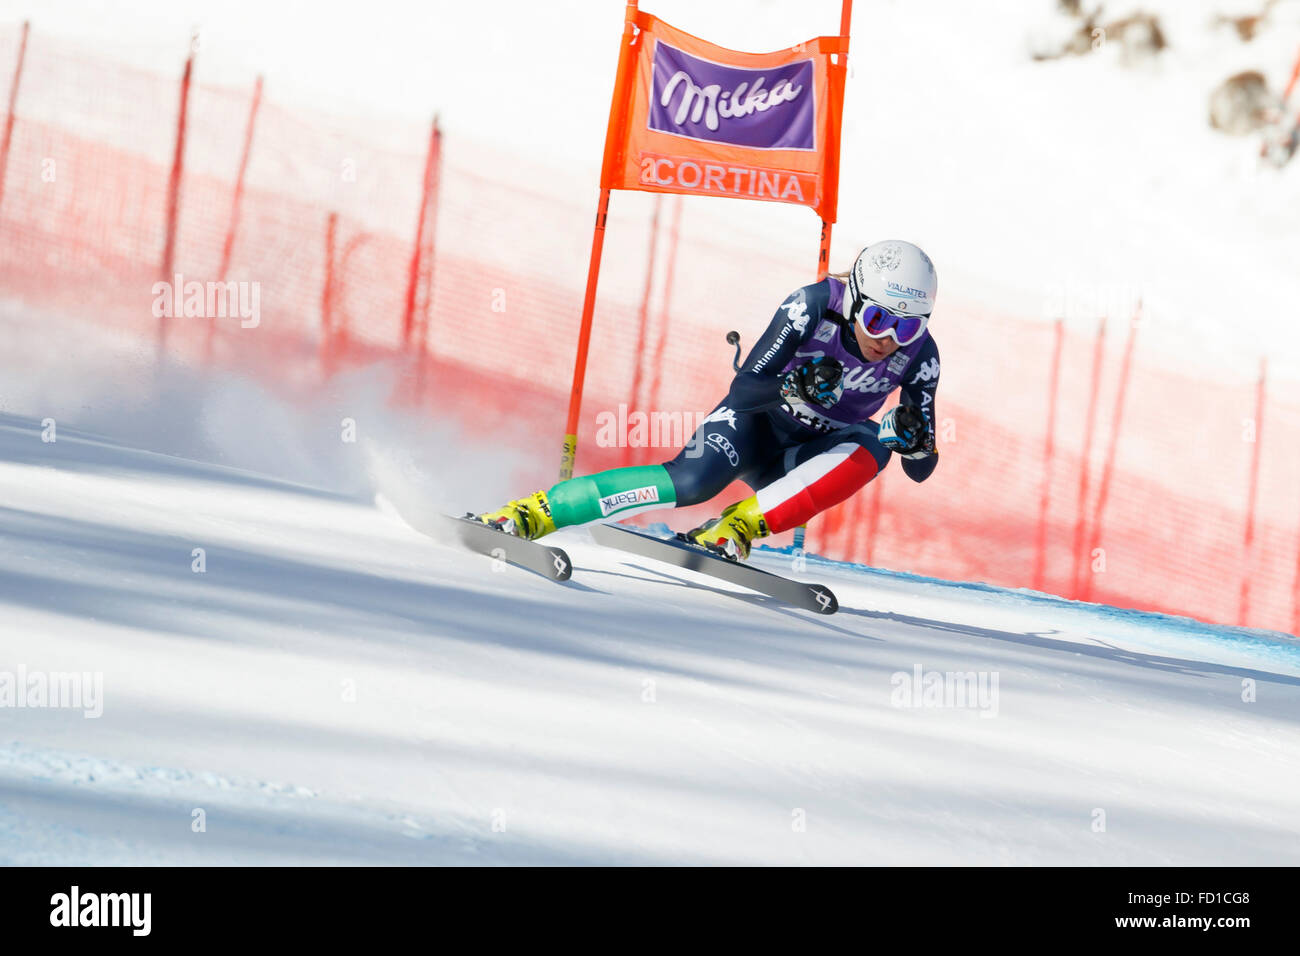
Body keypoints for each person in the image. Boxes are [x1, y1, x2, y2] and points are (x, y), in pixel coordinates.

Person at [475, 239, 942, 560]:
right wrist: (791, 387)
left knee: (877, 443)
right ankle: (532, 512)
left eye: (908, 327)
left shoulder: (921, 357)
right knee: (691, 483)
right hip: (751, 426)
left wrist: (917, 445)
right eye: (879, 319)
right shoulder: (813, 303)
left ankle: (735, 528)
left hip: (801, 461)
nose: (888, 340)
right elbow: (743, 391)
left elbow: (920, 471)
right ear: (857, 297)